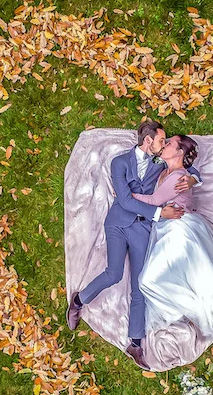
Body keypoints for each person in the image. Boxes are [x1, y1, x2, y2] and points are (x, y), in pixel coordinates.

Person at [66, 120, 202, 370]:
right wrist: (160, 214)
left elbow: (184, 170)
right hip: (118, 223)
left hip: (142, 230)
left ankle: (135, 343)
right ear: (148, 140)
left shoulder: (159, 164)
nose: (163, 145)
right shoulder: (119, 162)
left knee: (139, 286)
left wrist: (193, 179)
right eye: (161, 140)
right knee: (114, 273)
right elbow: (126, 201)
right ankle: (78, 301)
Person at [130, 135, 213, 368]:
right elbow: (189, 174)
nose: (164, 146)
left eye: (169, 144)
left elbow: (155, 199)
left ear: (180, 152)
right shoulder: (171, 171)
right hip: (166, 229)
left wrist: (127, 197)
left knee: (148, 281)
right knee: (192, 277)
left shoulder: (179, 177)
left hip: (179, 230)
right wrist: (195, 177)